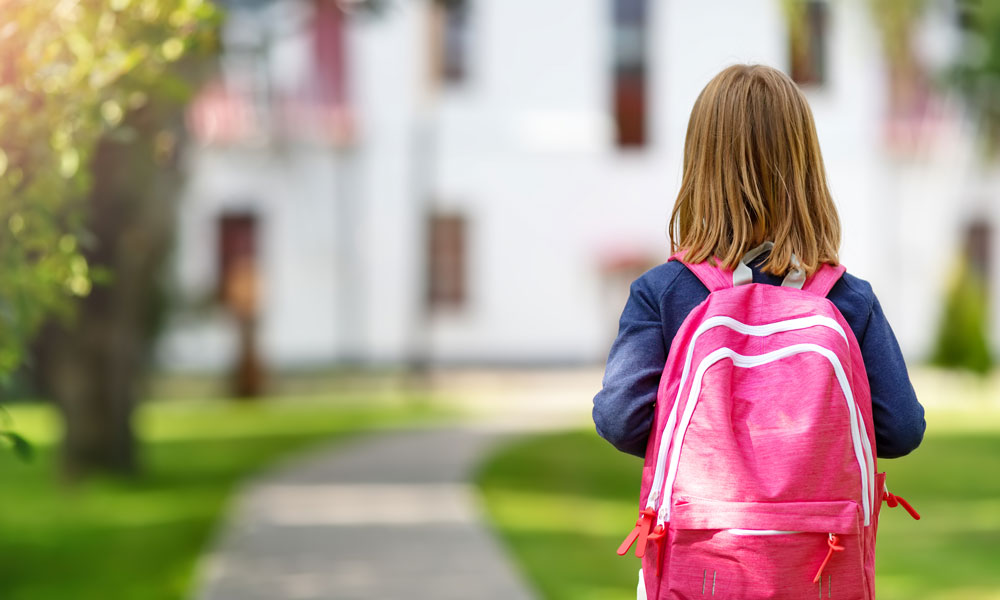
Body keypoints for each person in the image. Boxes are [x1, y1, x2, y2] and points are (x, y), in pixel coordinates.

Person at [593, 62, 925, 600]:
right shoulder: (847, 299)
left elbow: (619, 418)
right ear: (805, 170)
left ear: (699, 168)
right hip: (818, 569)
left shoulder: (665, 292)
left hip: (700, 568)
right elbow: (902, 430)